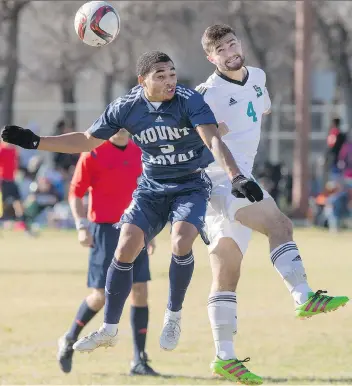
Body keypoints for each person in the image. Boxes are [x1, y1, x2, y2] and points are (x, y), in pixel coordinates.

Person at [0, 51, 263, 354]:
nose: (170, 82)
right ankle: (109, 330)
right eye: (161, 76)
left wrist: (235, 177)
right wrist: (37, 142)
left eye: (172, 74)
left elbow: (213, 140)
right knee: (125, 246)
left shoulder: (189, 100)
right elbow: (87, 140)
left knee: (181, 241)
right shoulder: (127, 107)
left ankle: (173, 316)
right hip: (151, 188)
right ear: (143, 81)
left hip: (189, 184)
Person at [196, 24, 349, 384]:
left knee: (226, 273)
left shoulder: (258, 77)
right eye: (220, 48)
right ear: (211, 57)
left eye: (232, 42)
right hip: (222, 183)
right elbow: (206, 139)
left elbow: (258, 110)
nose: (230, 50)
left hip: (241, 180)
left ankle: (224, 357)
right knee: (280, 224)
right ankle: (303, 296)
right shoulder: (208, 93)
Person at [56, 129, 158, 376]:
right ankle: (69, 338)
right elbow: (75, 193)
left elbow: (149, 194)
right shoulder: (93, 152)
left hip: (136, 228)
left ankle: (139, 360)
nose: (123, 128)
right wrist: (81, 226)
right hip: (104, 230)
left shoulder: (141, 152)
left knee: (140, 291)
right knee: (101, 295)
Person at [0, 141, 31, 232]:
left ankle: (22, 222)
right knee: (2, 204)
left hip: (11, 180)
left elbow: (15, 165)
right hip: (2, 181)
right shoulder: (1, 150)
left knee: (18, 202)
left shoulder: (14, 150)